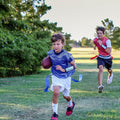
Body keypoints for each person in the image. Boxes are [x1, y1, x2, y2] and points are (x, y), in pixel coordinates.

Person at [47, 33, 77, 120]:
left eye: (58, 44)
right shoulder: (50, 53)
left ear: (63, 44)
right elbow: (48, 61)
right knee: (56, 93)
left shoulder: (67, 55)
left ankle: (70, 104)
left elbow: (74, 66)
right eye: (54, 44)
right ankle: (55, 114)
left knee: (66, 96)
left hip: (66, 77)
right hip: (56, 76)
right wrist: (45, 64)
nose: (55, 46)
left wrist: (64, 70)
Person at [93, 26, 113, 93]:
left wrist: (102, 45)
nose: (99, 35)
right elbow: (95, 42)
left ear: (103, 34)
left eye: (101, 33)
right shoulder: (95, 39)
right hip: (100, 57)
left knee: (109, 70)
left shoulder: (107, 41)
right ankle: (100, 86)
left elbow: (109, 51)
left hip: (108, 58)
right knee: (100, 68)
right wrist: (96, 46)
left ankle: (110, 74)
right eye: (98, 33)